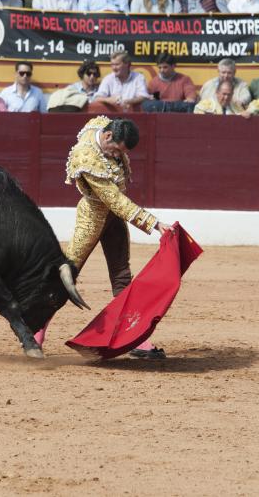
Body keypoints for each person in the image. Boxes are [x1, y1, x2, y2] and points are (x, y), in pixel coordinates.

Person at [39, 116, 173, 360]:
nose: (116, 156)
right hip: (92, 216)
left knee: (122, 275)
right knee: (67, 275)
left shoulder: (101, 125)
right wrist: (154, 224)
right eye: (116, 150)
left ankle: (136, 338)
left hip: (113, 219)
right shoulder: (86, 156)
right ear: (108, 137)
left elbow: (116, 203)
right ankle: (36, 328)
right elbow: (115, 200)